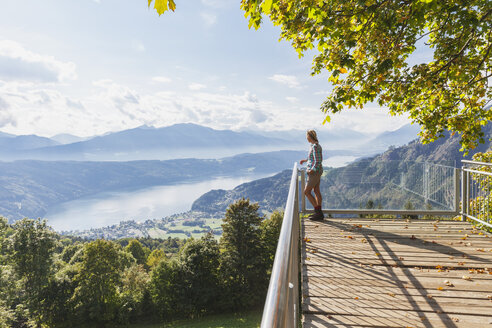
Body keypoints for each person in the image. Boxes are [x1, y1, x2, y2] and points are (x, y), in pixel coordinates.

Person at [300, 130, 324, 221]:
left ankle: (318, 212)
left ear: (309, 136)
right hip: (317, 171)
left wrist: (311, 170)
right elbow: (313, 158)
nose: (306, 138)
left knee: (306, 192)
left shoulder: (315, 146)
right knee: (316, 191)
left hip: (314, 172)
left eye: (307, 136)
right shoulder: (313, 146)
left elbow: (318, 161)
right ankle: (319, 213)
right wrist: (305, 160)